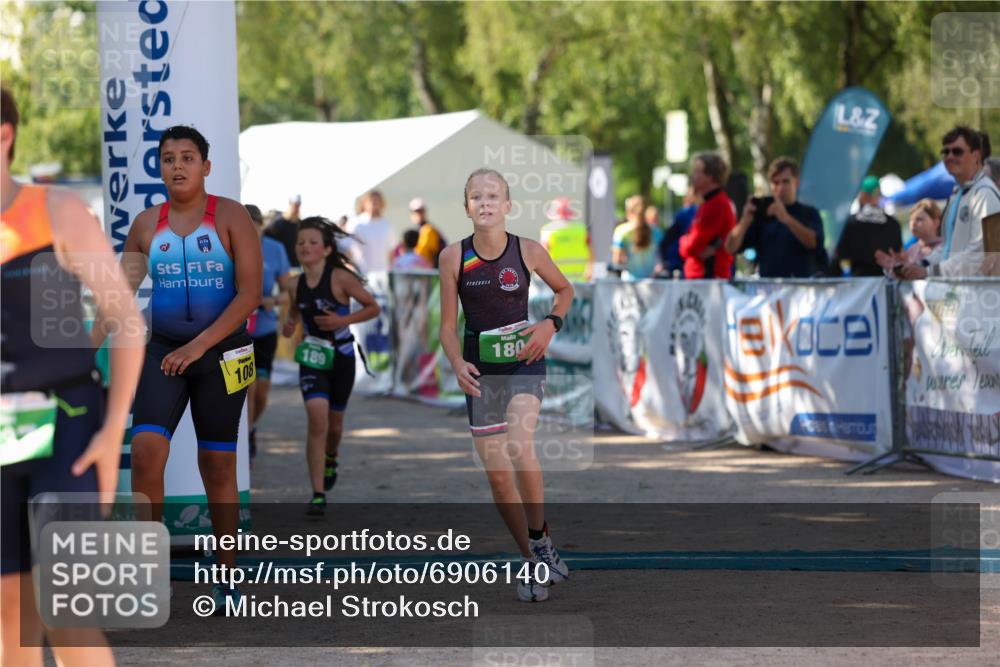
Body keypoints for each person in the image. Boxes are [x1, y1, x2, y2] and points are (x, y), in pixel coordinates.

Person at [1, 87, 144, 666]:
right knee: (10, 612)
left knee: (69, 610)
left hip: (71, 428)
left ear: (4, 135)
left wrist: (113, 434)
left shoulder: (55, 209)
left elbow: (126, 319)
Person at [117, 125, 262, 614]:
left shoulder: (230, 216)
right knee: (144, 454)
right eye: (167, 158)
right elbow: (118, 299)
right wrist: (79, 353)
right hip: (165, 352)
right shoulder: (144, 225)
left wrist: (200, 345)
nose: (176, 166)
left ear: (206, 165)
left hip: (222, 354)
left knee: (217, 465)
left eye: (187, 157)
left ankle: (227, 575)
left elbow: (249, 295)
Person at [438, 168, 573, 602]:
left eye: (493, 195)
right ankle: (535, 557)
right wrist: (457, 362)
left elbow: (565, 290)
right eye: (476, 196)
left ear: (508, 205)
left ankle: (539, 541)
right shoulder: (452, 257)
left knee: (520, 443)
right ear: (466, 207)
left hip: (524, 364)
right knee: (498, 479)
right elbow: (445, 327)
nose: (485, 203)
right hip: (480, 373)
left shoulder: (528, 250)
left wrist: (550, 326)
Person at [282, 218, 380, 516]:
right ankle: (317, 494)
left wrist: (342, 321)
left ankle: (331, 456)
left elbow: (372, 306)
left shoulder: (340, 278)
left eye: (312, 242)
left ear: (326, 249)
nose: (305, 247)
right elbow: (297, 311)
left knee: (334, 426)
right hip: (313, 357)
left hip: (342, 358)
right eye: (301, 243)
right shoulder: (293, 283)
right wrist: (290, 323)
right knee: (317, 419)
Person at [877, 126, 1000, 278]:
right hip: (960, 293)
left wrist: (928, 271)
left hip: (981, 296)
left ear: (975, 156)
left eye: (957, 151)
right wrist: (915, 265)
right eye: (945, 152)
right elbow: (948, 249)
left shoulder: (985, 194)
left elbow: (979, 255)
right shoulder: (958, 195)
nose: (949, 157)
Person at [245, 204, 293, 464]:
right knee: (248, 388)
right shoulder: (227, 246)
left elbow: (289, 292)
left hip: (263, 329)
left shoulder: (275, 250)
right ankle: (242, 443)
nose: (250, 233)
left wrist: (271, 301)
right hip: (237, 331)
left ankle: (250, 428)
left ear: (262, 226)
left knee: (262, 392)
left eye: (254, 228)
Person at [724, 156, 825, 278]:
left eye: (786, 181)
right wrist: (745, 221)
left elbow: (814, 244)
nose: (781, 188)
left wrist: (786, 219)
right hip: (770, 289)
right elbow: (730, 248)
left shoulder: (809, 213)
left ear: (796, 182)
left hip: (802, 289)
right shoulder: (763, 216)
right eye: (776, 183)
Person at [828, 176, 902, 277]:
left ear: (862, 194)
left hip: (858, 285)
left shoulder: (850, 223)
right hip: (887, 282)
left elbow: (839, 256)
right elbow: (899, 255)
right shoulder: (893, 224)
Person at [678, 152, 736, 279]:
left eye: (697, 172)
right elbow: (692, 244)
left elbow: (693, 245)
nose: (693, 176)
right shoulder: (708, 203)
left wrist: (684, 242)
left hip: (708, 278)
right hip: (702, 277)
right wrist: (686, 242)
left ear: (711, 176)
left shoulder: (717, 204)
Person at [539, 196, 592, 282]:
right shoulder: (581, 229)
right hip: (579, 280)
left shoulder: (548, 230)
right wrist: (590, 270)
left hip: (557, 281)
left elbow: (542, 256)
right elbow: (591, 252)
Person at [612, 195, 663, 280]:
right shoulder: (657, 232)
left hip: (629, 283)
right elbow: (660, 259)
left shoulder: (621, 231)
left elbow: (617, 260)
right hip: (651, 283)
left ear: (628, 213)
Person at [345, 190, 396, 274]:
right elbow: (347, 249)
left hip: (382, 274)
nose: (374, 205)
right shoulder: (355, 224)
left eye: (377, 202)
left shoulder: (387, 225)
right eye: (372, 201)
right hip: (360, 273)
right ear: (364, 203)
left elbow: (391, 252)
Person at [659, 187, 701, 278]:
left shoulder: (684, 214)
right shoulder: (686, 213)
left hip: (685, 263)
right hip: (688, 263)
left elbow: (668, 239)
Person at [264, 194, 302, 268]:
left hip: (296, 265)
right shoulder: (278, 223)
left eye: (298, 205)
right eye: (295, 204)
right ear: (290, 204)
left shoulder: (301, 224)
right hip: (280, 266)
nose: (296, 207)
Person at [902, 199, 943, 265]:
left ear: (935, 222)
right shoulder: (911, 250)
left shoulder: (945, 247)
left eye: (919, 219)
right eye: (911, 220)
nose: (913, 223)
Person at [409, 197, 448, 268]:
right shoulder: (418, 231)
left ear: (424, 212)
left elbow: (422, 254)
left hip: (431, 273)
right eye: (416, 212)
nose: (418, 214)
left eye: (421, 211)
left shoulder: (428, 230)